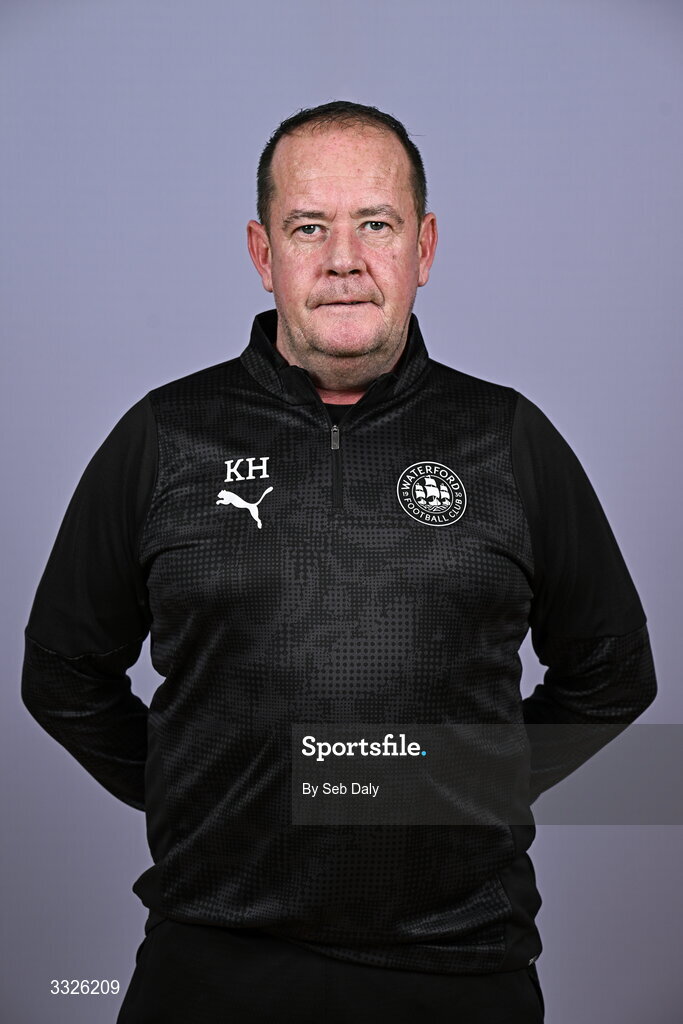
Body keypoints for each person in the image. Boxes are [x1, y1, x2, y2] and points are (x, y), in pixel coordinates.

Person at [21, 100, 657, 1023]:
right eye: (308, 226)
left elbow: (611, 675)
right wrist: (202, 789)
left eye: (376, 224)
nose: (343, 259)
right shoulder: (166, 437)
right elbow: (63, 671)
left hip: (461, 967)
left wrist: (448, 786)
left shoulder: (504, 439)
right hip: (211, 962)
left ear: (423, 249)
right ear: (261, 251)